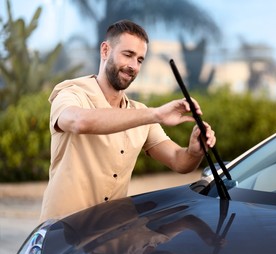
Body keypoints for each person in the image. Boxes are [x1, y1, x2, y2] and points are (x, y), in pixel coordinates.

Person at [39, 19, 216, 222]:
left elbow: (179, 161)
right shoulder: (71, 93)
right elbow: (79, 122)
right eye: (128, 55)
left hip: (110, 232)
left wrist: (194, 151)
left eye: (140, 60)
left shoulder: (140, 112)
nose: (133, 66)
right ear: (105, 50)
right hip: (62, 230)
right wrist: (156, 114)